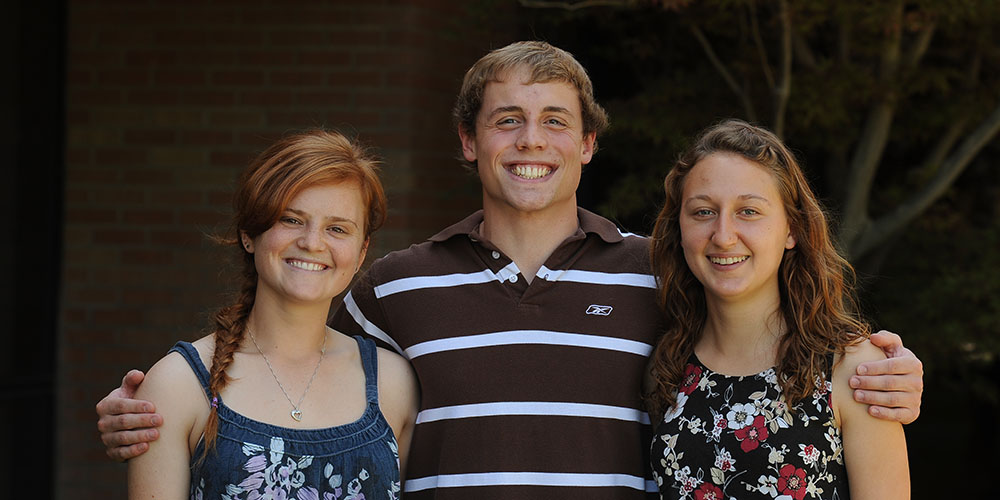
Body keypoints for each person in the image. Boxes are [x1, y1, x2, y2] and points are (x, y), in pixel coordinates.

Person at [98, 42, 922, 499]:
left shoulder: (662, 277)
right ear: (468, 141)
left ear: (588, 144)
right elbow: (294, 376)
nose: (532, 141)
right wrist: (161, 406)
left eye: (555, 121)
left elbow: (756, 349)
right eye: (507, 120)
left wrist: (892, 376)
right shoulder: (390, 289)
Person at [127, 130, 419, 499]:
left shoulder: (393, 384)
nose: (312, 242)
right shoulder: (179, 384)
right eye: (291, 220)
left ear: (361, 253)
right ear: (249, 233)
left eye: (337, 228)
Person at [646, 120, 909, 499]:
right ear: (680, 229)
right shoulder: (665, 369)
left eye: (748, 212)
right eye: (703, 212)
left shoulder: (852, 369)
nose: (723, 235)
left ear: (792, 230)